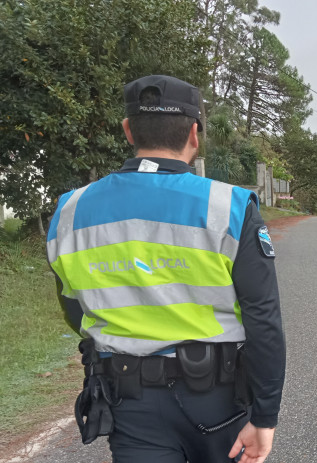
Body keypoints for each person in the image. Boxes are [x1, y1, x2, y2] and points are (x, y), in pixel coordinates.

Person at [46, 75, 285, 463]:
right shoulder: (230, 207)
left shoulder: (70, 210)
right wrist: (265, 416)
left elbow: (75, 309)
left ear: (128, 131)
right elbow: (264, 320)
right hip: (218, 402)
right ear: (195, 133)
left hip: (128, 402)